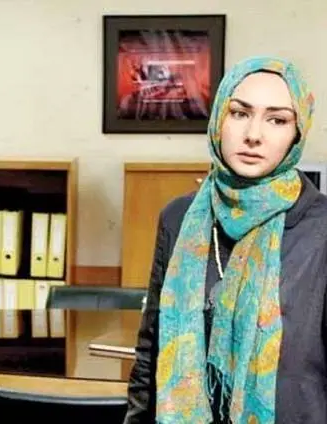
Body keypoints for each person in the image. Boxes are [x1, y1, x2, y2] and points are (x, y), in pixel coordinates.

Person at [124, 56, 326, 423]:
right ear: (219, 118)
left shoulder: (321, 228)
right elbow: (150, 351)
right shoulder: (179, 218)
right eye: (239, 113)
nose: (254, 134)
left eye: (277, 120)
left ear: (297, 133)